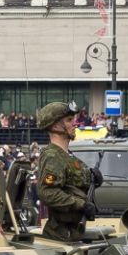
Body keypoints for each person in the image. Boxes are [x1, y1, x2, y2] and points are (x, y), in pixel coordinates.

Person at [34, 102, 91, 241]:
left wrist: (92, 176)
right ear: (55, 126)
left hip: (72, 232)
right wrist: (80, 204)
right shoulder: (52, 156)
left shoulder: (67, 155)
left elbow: (74, 182)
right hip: (60, 234)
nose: (75, 123)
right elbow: (48, 192)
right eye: (69, 120)